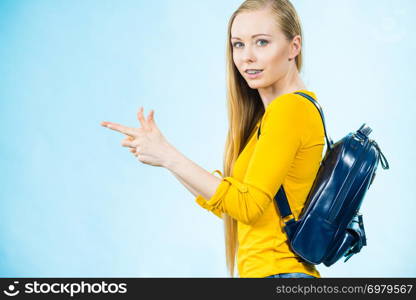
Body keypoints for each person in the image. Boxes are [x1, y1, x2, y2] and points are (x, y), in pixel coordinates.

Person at [101, 0, 324, 278]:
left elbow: (247, 207)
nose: (246, 57)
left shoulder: (289, 110)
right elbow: (237, 210)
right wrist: (165, 159)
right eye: (238, 44)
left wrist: (169, 155)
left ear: (294, 47)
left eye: (262, 42)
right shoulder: (275, 116)